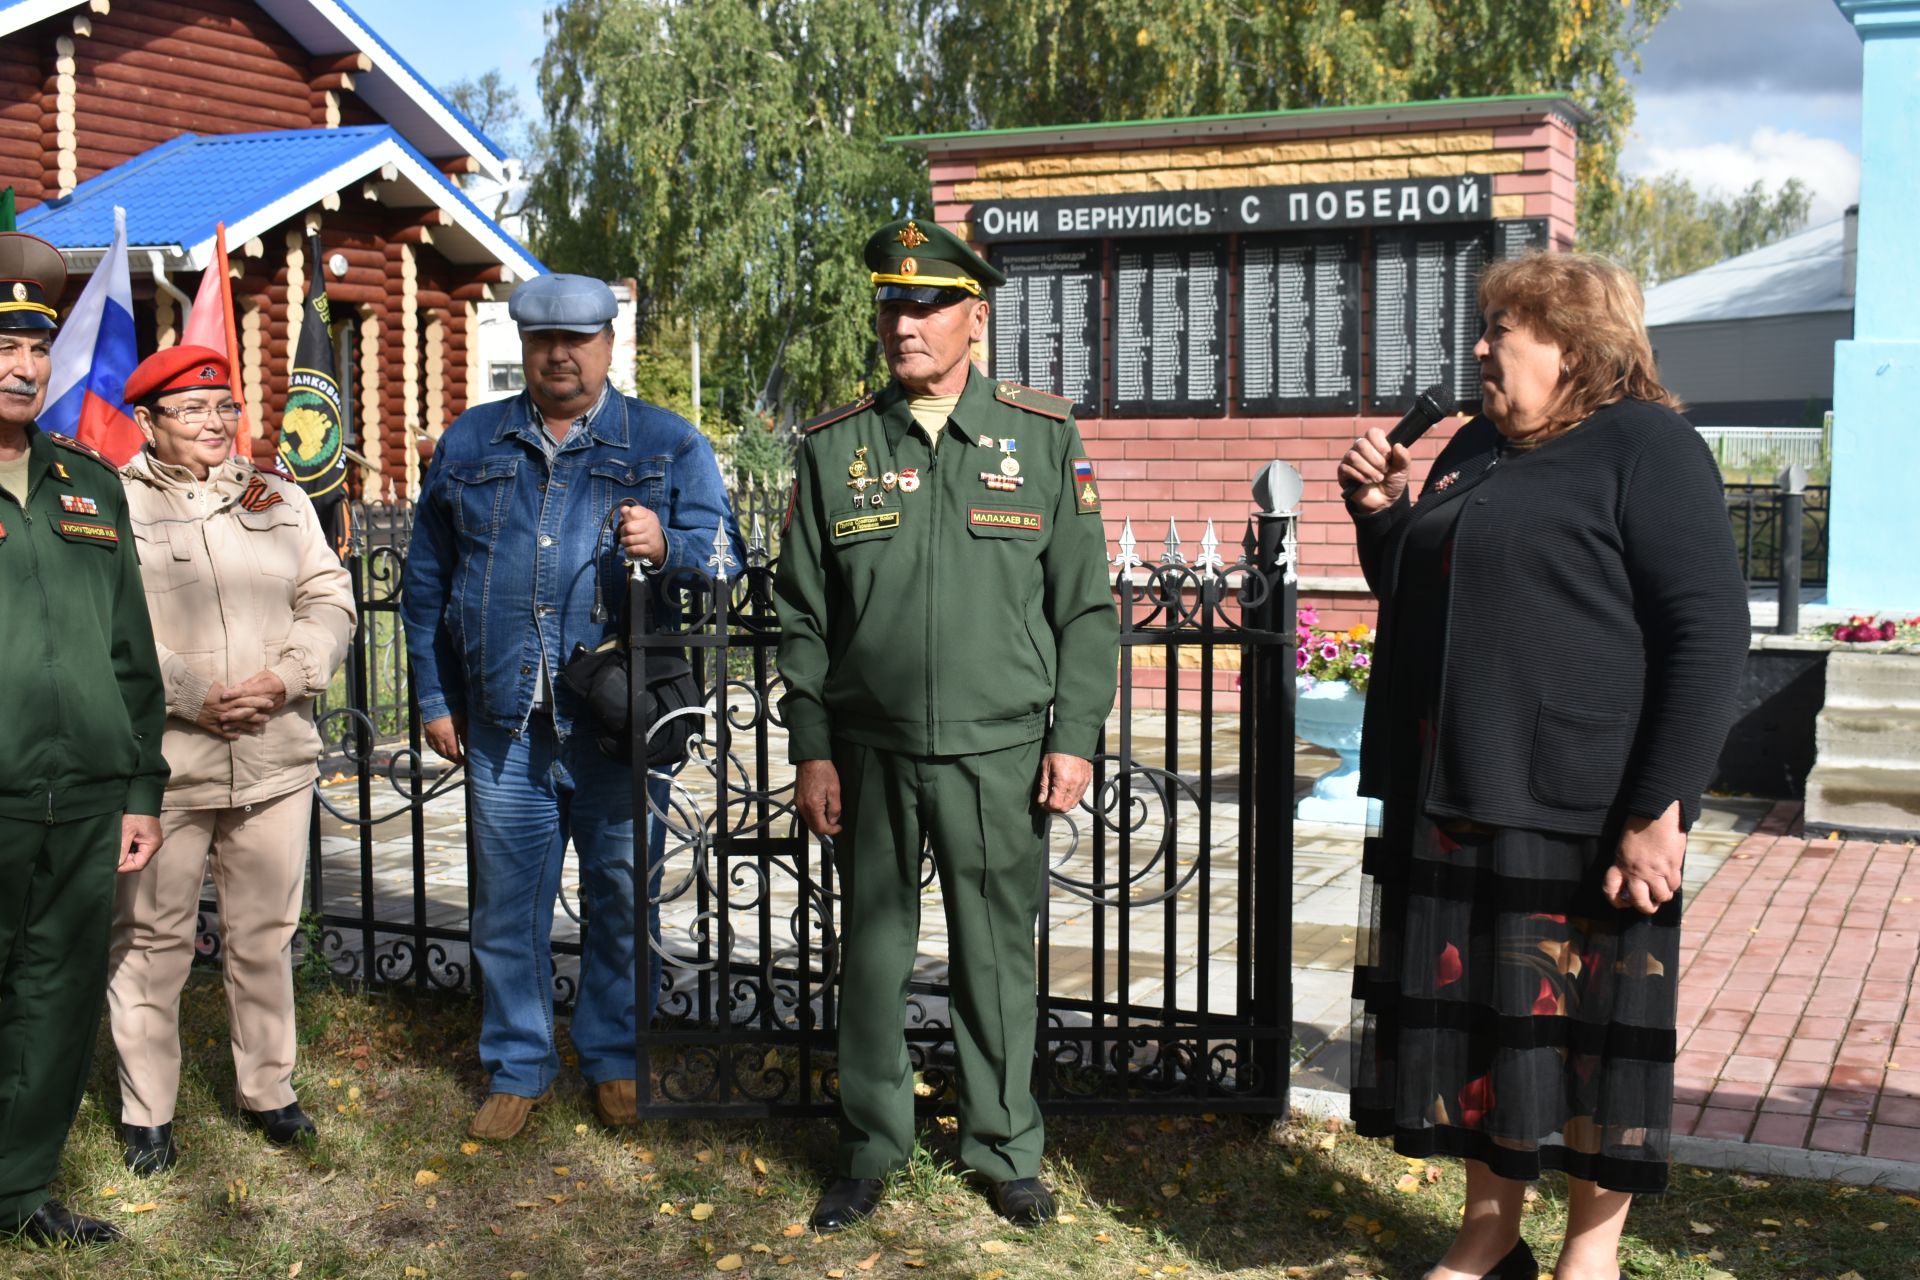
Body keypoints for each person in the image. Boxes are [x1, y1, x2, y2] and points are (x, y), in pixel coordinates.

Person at [1338, 252, 1750, 1280]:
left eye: (1499, 331)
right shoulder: (1478, 444)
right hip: (1454, 789)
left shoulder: (1646, 446)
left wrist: (1662, 808)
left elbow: (1707, 634)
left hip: (1582, 801)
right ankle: (1490, 1229)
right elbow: (1422, 592)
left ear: (1570, 344)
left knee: (1589, 1038)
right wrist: (1384, 512)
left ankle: (1590, 1253)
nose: (1478, 349)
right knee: (1481, 1029)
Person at [773, 217, 1119, 1232]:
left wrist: (1074, 733)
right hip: (871, 750)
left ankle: (1004, 1146)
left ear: (976, 315)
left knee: (996, 955)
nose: (903, 322)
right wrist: (812, 746)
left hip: (1000, 747)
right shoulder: (837, 447)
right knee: (874, 958)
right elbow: (803, 614)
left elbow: (1085, 607)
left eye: (925, 304)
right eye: (890, 302)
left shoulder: (1041, 438)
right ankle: (872, 1143)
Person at [402, 273, 737, 1141]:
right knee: (507, 907)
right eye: (544, 339)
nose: (559, 354)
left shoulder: (668, 444)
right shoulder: (472, 442)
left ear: (607, 345)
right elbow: (425, 581)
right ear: (525, 345)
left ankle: (615, 1058)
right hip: (505, 724)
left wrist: (668, 547)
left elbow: (723, 566)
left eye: (577, 340)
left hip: (620, 730)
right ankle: (517, 1066)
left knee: (623, 898)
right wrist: (434, 694)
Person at [105, 345, 355, 1173]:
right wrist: (188, 691)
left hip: (273, 755)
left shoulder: (278, 498)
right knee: (151, 940)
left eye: (224, 409)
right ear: (148, 422)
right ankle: (148, 1113)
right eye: (192, 411)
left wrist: (286, 678)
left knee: (264, 935)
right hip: (166, 766)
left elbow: (328, 598)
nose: (214, 425)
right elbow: (104, 626)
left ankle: (269, 1092)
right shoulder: (110, 504)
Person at [0, 231, 168, 1247]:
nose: (23, 368)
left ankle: (20, 1190)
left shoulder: (87, 484)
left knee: (57, 994)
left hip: (86, 792)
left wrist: (142, 784)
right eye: (0, 347)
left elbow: (129, 649)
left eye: (34, 349)